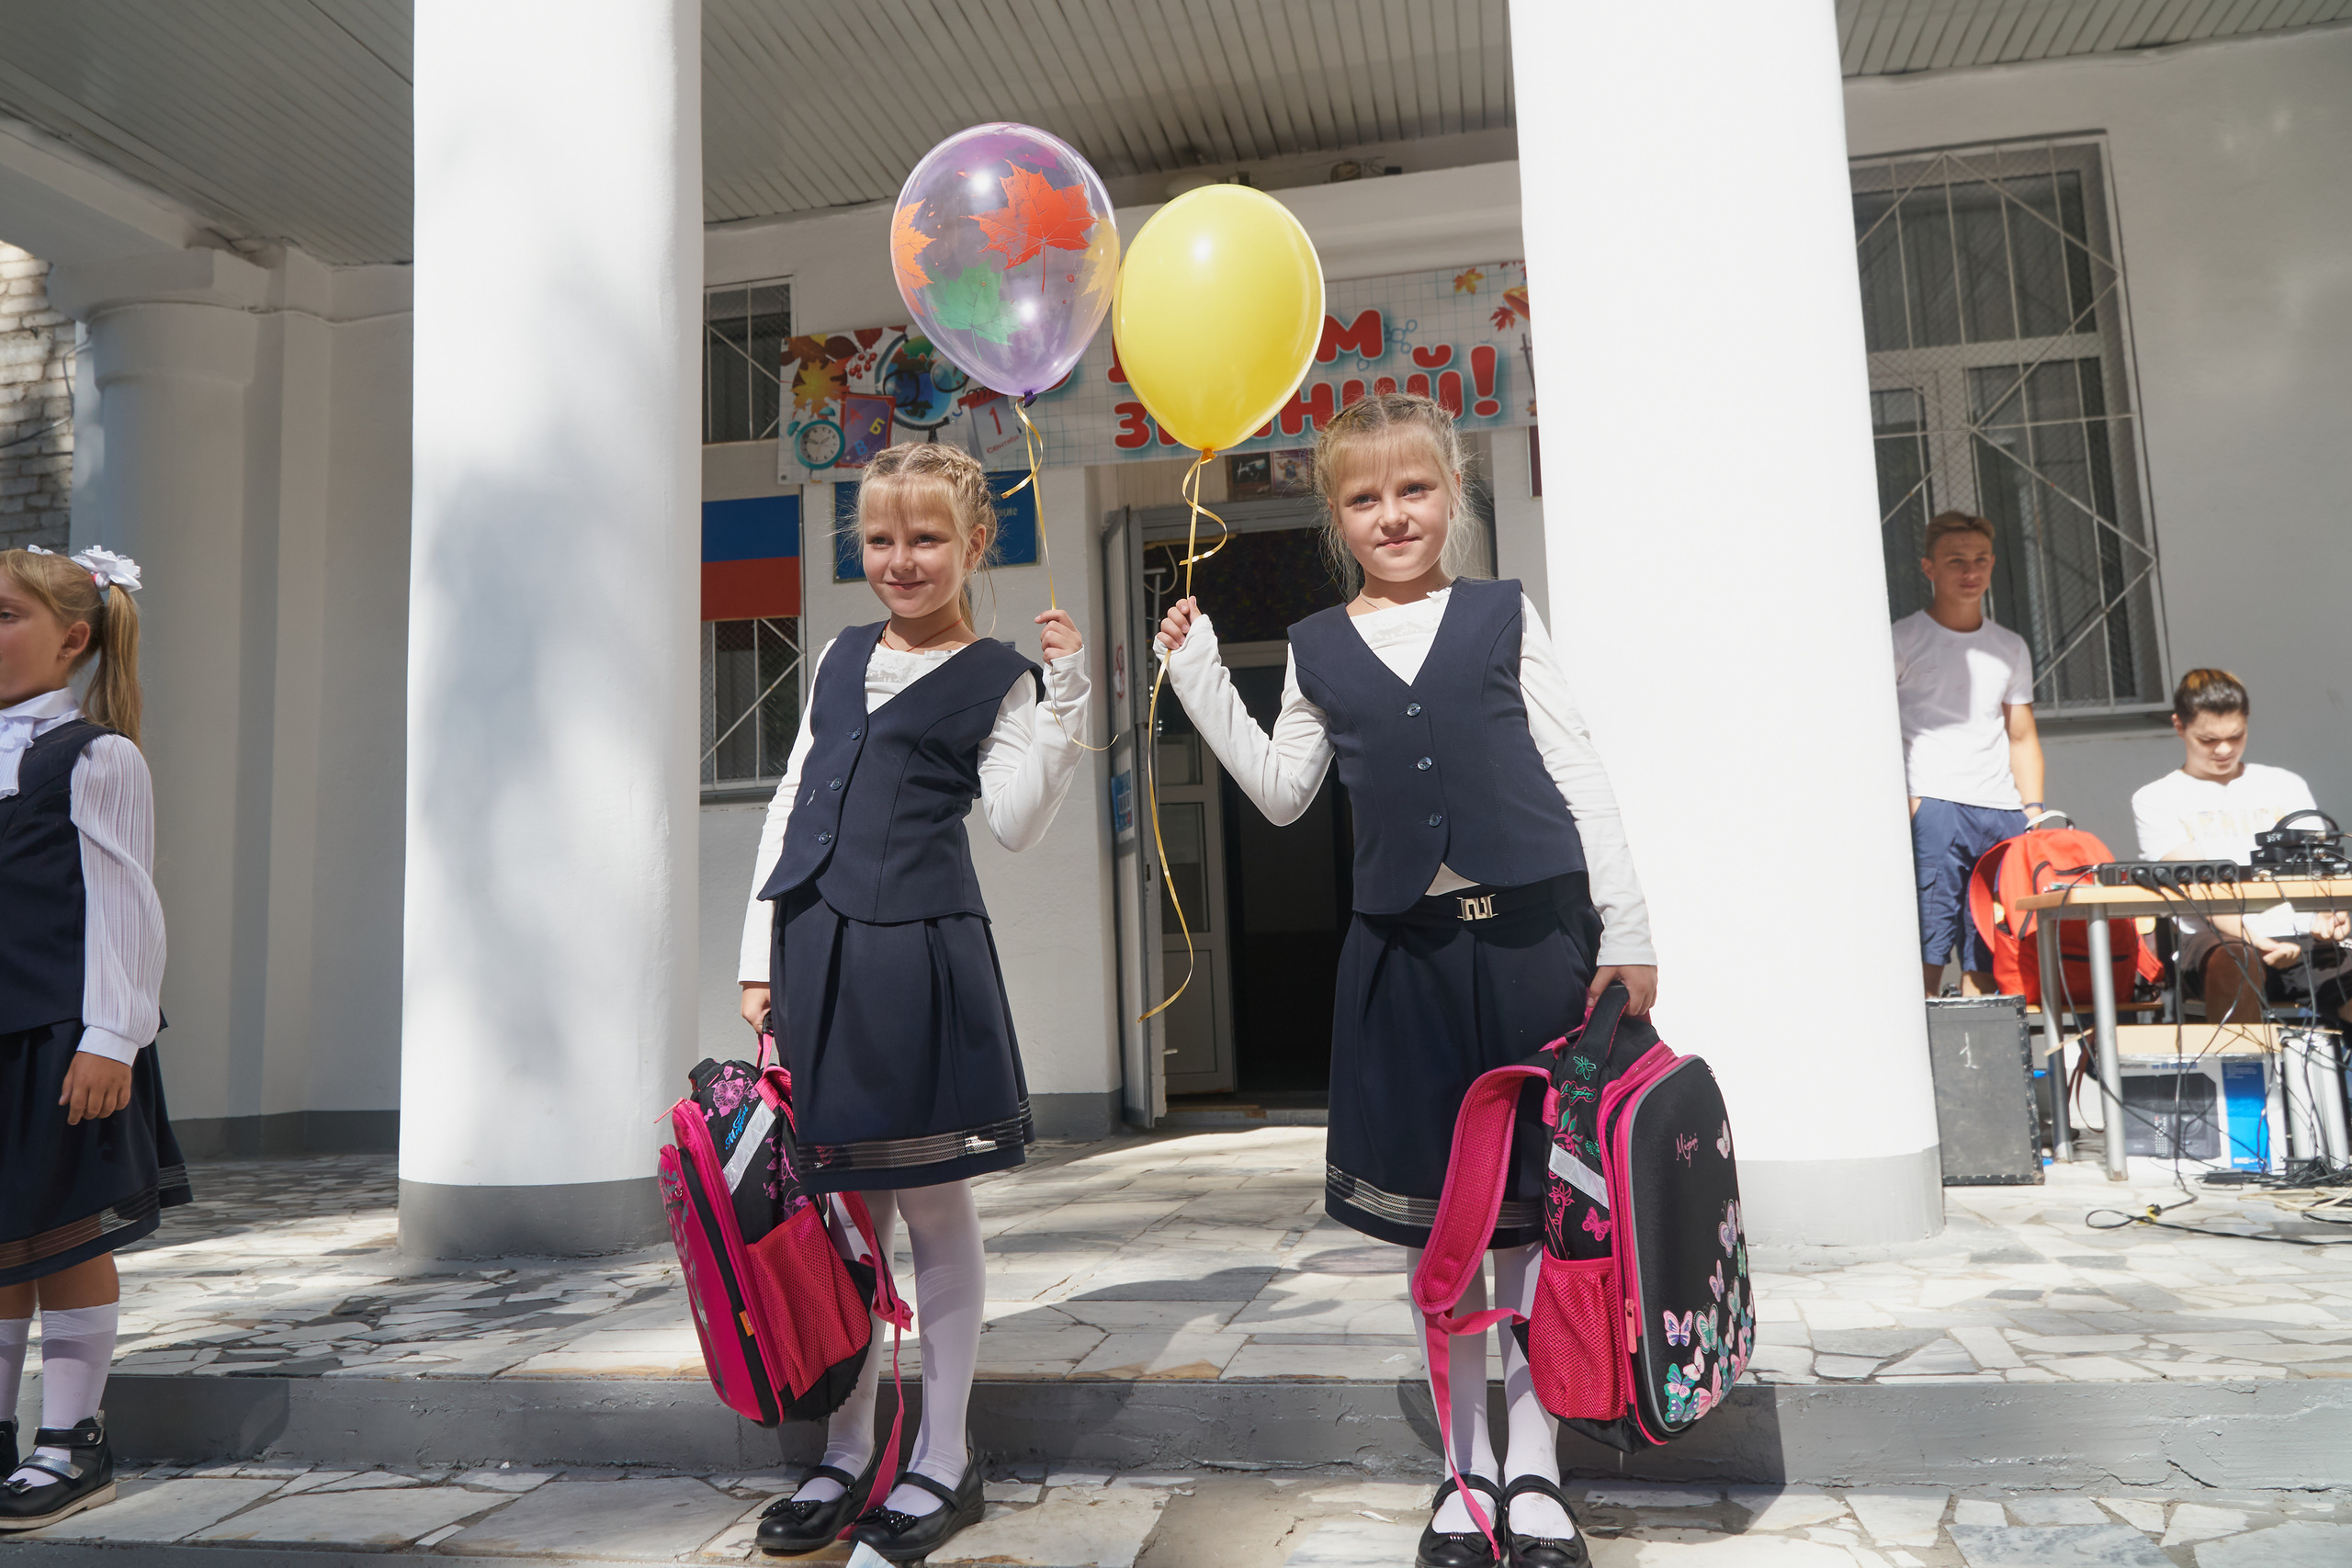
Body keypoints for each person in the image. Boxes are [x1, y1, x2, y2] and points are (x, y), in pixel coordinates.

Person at [1157, 393, 1655, 1568]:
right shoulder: (1321, 646)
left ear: (1454, 500)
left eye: (1414, 490)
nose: (1394, 515)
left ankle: (1536, 1473)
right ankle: (1460, 1474)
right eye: (1365, 498)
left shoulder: (1500, 616)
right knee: (1446, 1232)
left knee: (1535, 1220)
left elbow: (1578, 769)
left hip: (1536, 947)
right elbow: (1284, 791)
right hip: (1404, 960)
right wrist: (1199, 678)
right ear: (1336, 518)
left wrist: (1627, 932)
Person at [735, 443, 1088, 1563]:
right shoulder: (838, 657)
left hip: (921, 959)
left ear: (974, 545)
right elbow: (792, 799)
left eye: (926, 538)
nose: (901, 560)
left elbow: (1018, 820)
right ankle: (848, 1447)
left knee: (931, 1208)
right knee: (843, 1214)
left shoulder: (997, 675)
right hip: (817, 951)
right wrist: (758, 954)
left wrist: (1065, 694)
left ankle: (943, 1454)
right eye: (881, 540)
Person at [0, 546, 182, 1533]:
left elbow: (125, 907)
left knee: (61, 1232)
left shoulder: (95, 756)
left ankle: (72, 1439)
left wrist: (113, 1036)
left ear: (73, 637)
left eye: (3, 615)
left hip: (61, 1038)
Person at [1891, 511, 2054, 997]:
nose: (1970, 571)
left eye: (1980, 560)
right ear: (1929, 568)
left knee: (1992, 948)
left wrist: (2034, 812)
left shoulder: (2008, 646)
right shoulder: (1901, 640)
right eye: (1956, 560)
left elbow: (2022, 736)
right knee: (1927, 949)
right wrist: (1910, 803)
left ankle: (1981, 1066)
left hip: (2002, 813)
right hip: (1934, 805)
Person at [2132, 669, 2352, 1028]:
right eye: (2208, 739)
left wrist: (2333, 914)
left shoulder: (2285, 785)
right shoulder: (2156, 799)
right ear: (2179, 726)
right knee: (2236, 961)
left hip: (2304, 936)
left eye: (2236, 736)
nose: (2223, 750)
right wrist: (2258, 940)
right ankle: (2243, 1080)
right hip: (2214, 939)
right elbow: (2199, 892)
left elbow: (2320, 871)